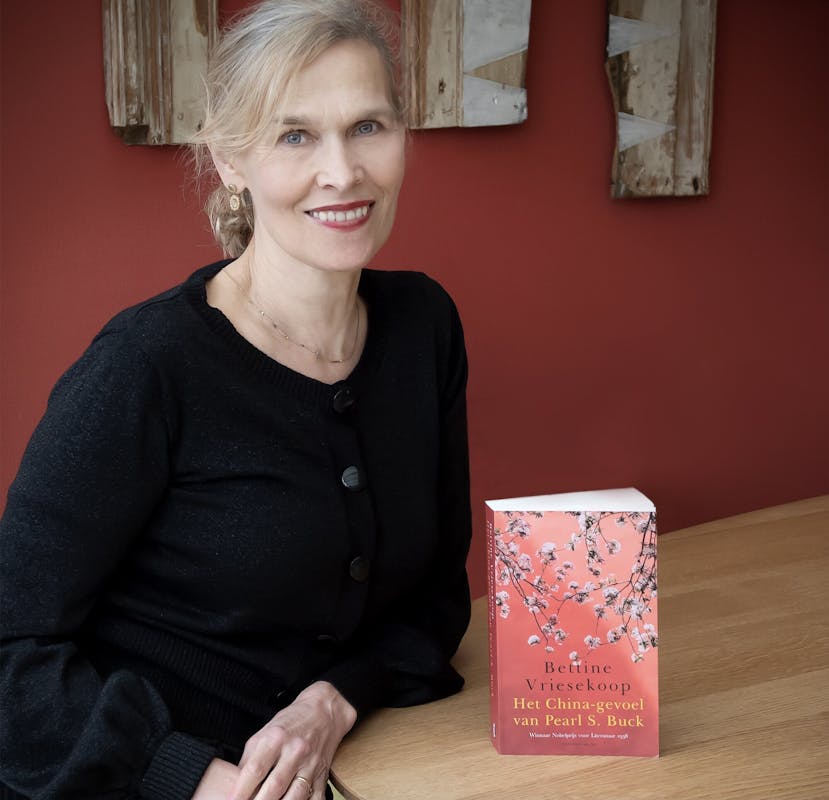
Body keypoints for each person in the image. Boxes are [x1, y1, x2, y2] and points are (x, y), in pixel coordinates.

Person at [0, 1, 472, 798]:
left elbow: (432, 602)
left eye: (367, 126)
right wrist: (192, 779)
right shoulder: (146, 366)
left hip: (347, 769)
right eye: (295, 136)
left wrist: (332, 700)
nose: (342, 172)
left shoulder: (423, 327)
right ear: (228, 160)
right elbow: (10, 652)